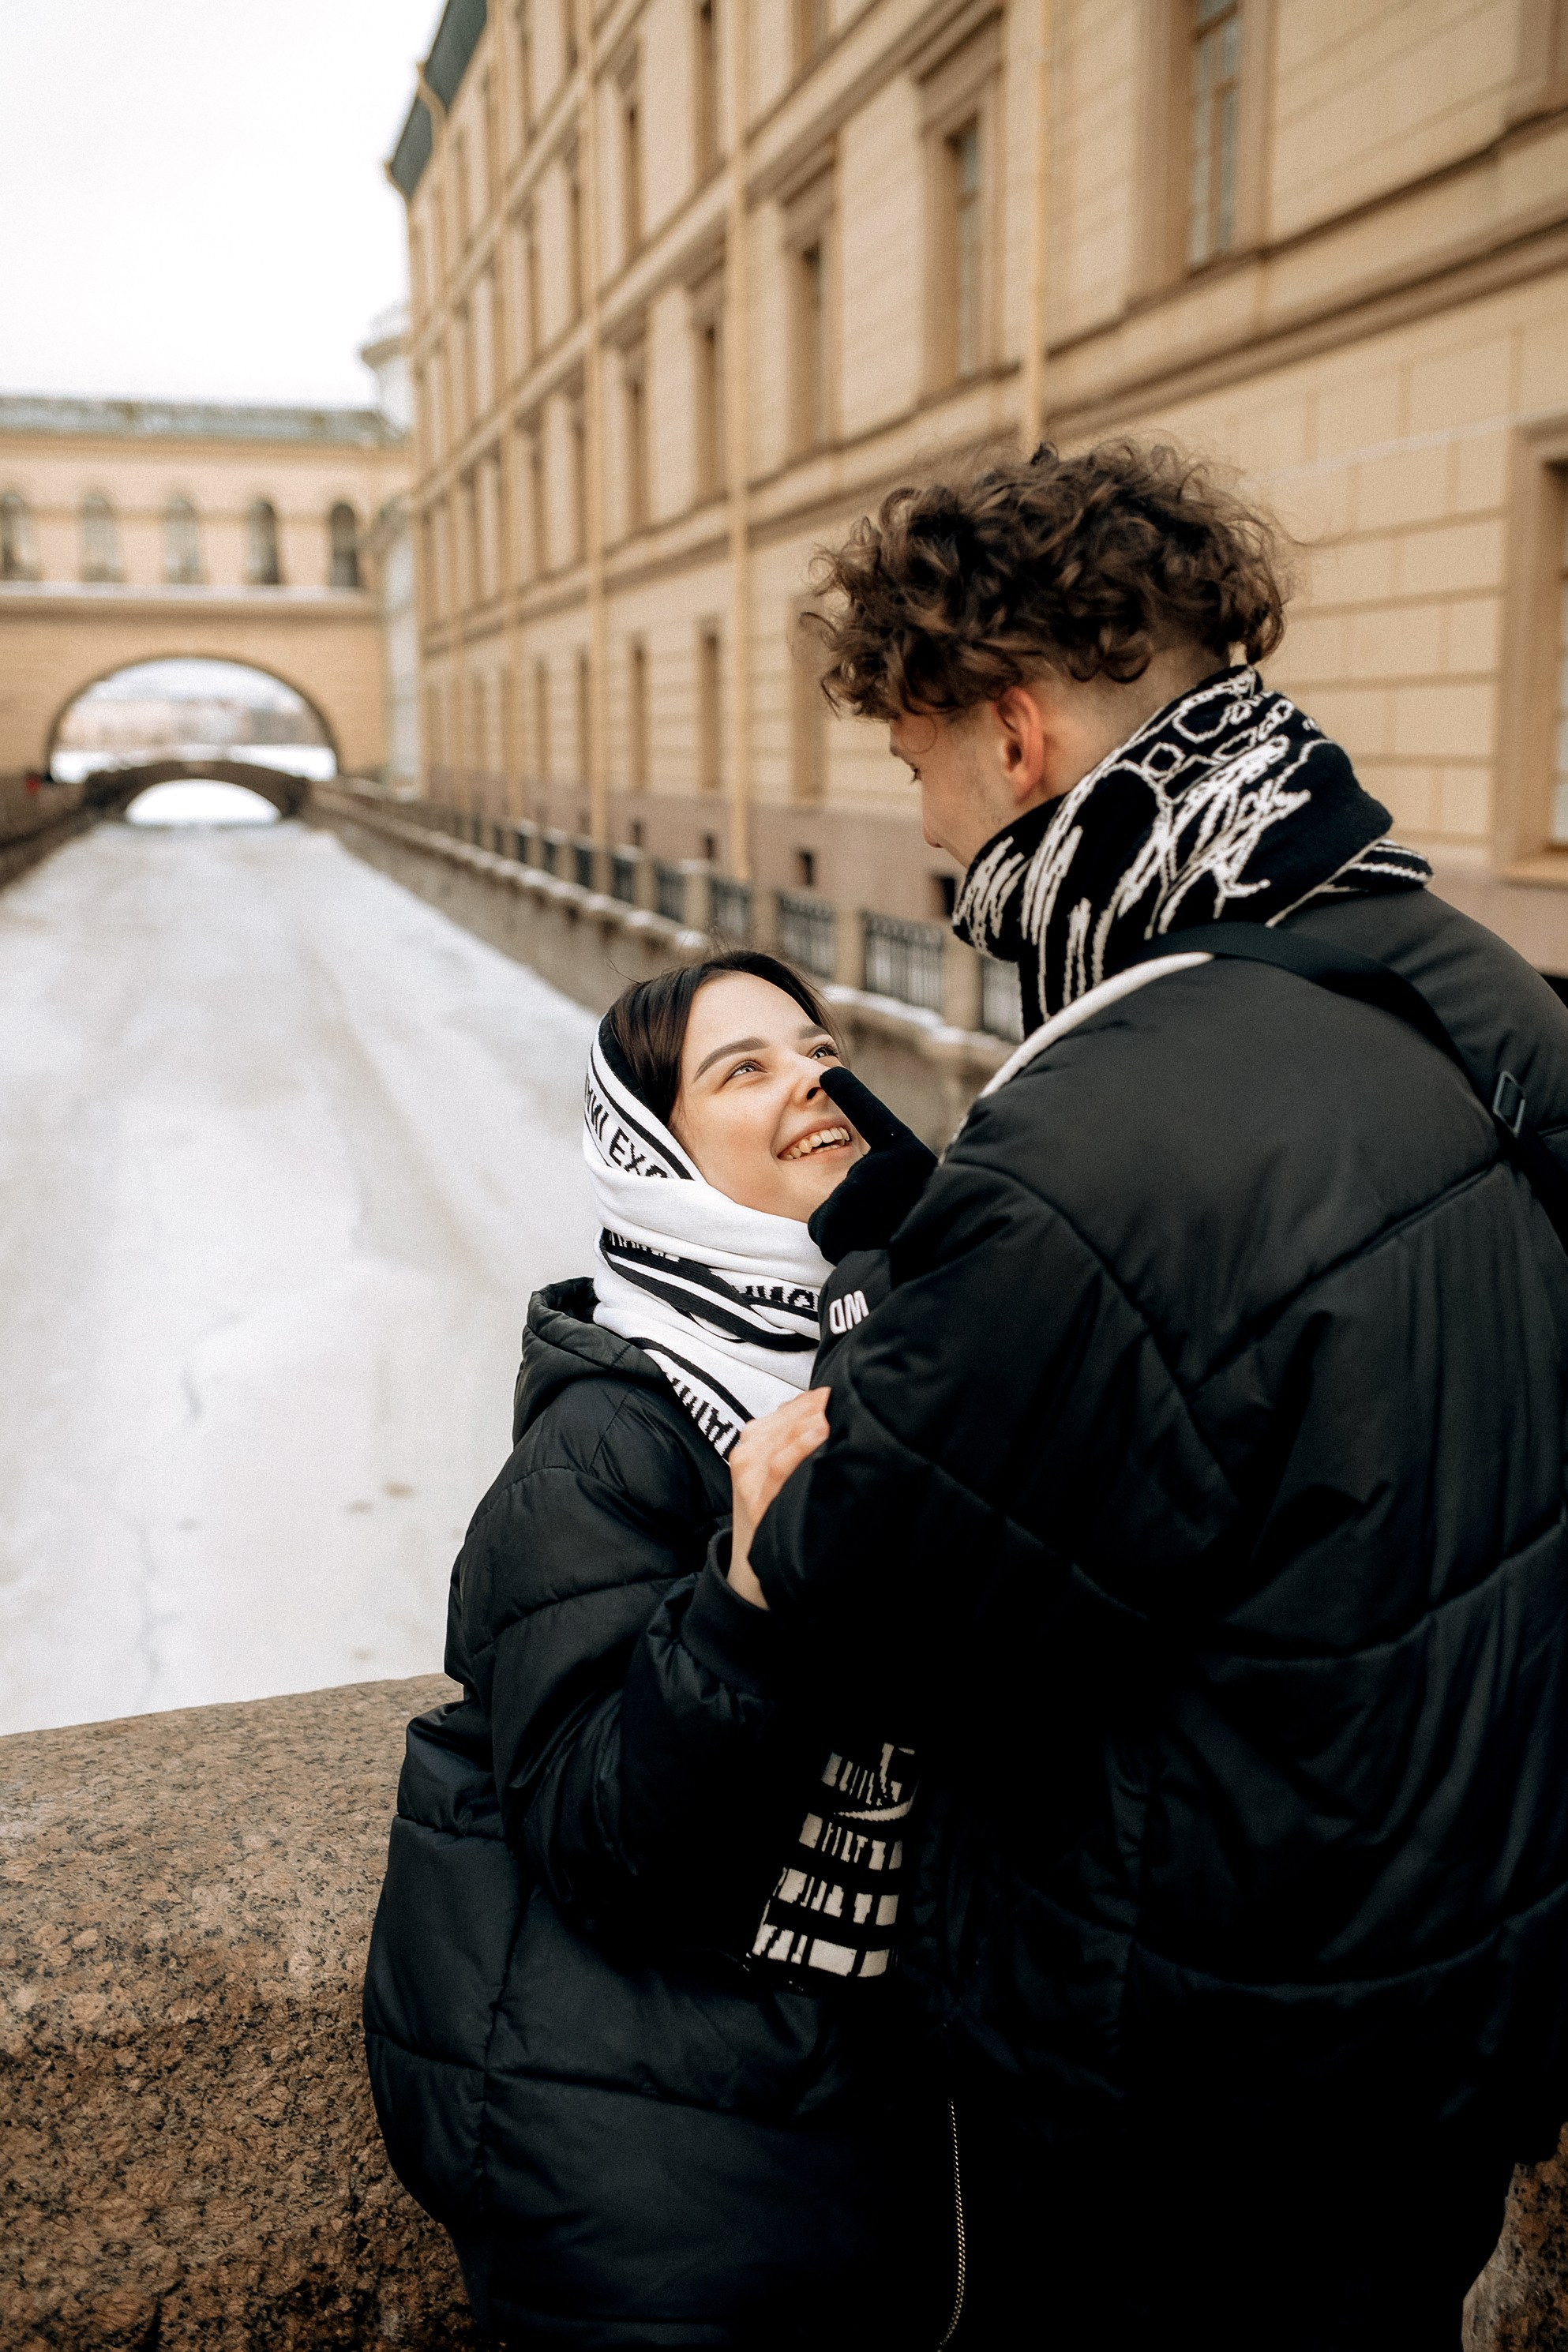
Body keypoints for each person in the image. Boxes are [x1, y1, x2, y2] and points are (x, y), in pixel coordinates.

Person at [722, 441, 1568, 2349]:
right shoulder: (1453, 973)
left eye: (917, 765)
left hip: (1197, 2090)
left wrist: (788, 1499)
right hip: (1452, 1998)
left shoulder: (1102, 1126)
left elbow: (887, 1588)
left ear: (1014, 738)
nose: (932, 834)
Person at [363, 948, 949, 2351]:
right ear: (651, 1159)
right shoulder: (600, 1444)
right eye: (741, 1070)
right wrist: (744, 1601)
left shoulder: (881, 1352)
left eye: (815, 1047)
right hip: (686, 2175)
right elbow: (602, 1839)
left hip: (872, 2123)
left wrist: (930, 1253)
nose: (809, 1078)